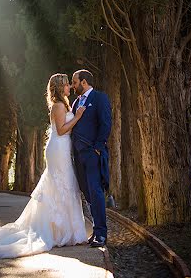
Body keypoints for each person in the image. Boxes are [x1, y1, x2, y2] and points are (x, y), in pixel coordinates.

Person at [0, 73, 87, 259]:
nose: (69, 88)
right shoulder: (58, 106)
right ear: (59, 88)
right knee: (61, 184)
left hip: (63, 147)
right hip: (58, 148)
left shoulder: (64, 104)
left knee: (66, 184)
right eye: (66, 85)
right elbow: (61, 130)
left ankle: (67, 231)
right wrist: (78, 117)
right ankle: (58, 232)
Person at [71, 69, 112, 247]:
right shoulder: (75, 103)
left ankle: (101, 234)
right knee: (87, 193)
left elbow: (106, 123)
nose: (73, 86)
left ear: (84, 82)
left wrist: (97, 147)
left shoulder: (99, 98)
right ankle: (95, 231)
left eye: (74, 82)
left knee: (96, 191)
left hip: (93, 153)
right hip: (78, 155)